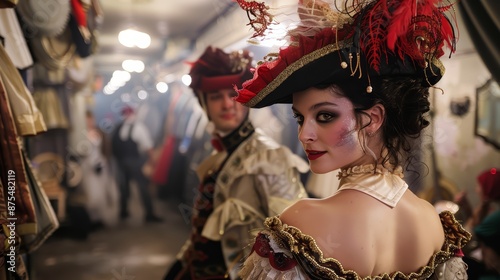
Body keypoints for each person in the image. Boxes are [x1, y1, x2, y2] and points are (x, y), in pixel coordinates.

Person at [232, 0, 471, 278]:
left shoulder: (302, 221)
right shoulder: (431, 221)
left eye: (324, 116)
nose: (304, 134)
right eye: (300, 118)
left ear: (372, 119)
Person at [163, 46, 309, 279]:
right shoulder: (217, 155)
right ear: (204, 104)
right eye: (215, 97)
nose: (227, 104)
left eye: (232, 95)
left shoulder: (269, 157)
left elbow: (293, 239)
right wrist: (182, 261)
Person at [111, 105, 162, 223]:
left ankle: (124, 212)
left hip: (121, 162)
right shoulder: (138, 127)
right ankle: (149, 213)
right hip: (134, 162)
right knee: (142, 187)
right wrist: (152, 160)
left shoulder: (118, 128)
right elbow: (148, 146)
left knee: (124, 187)